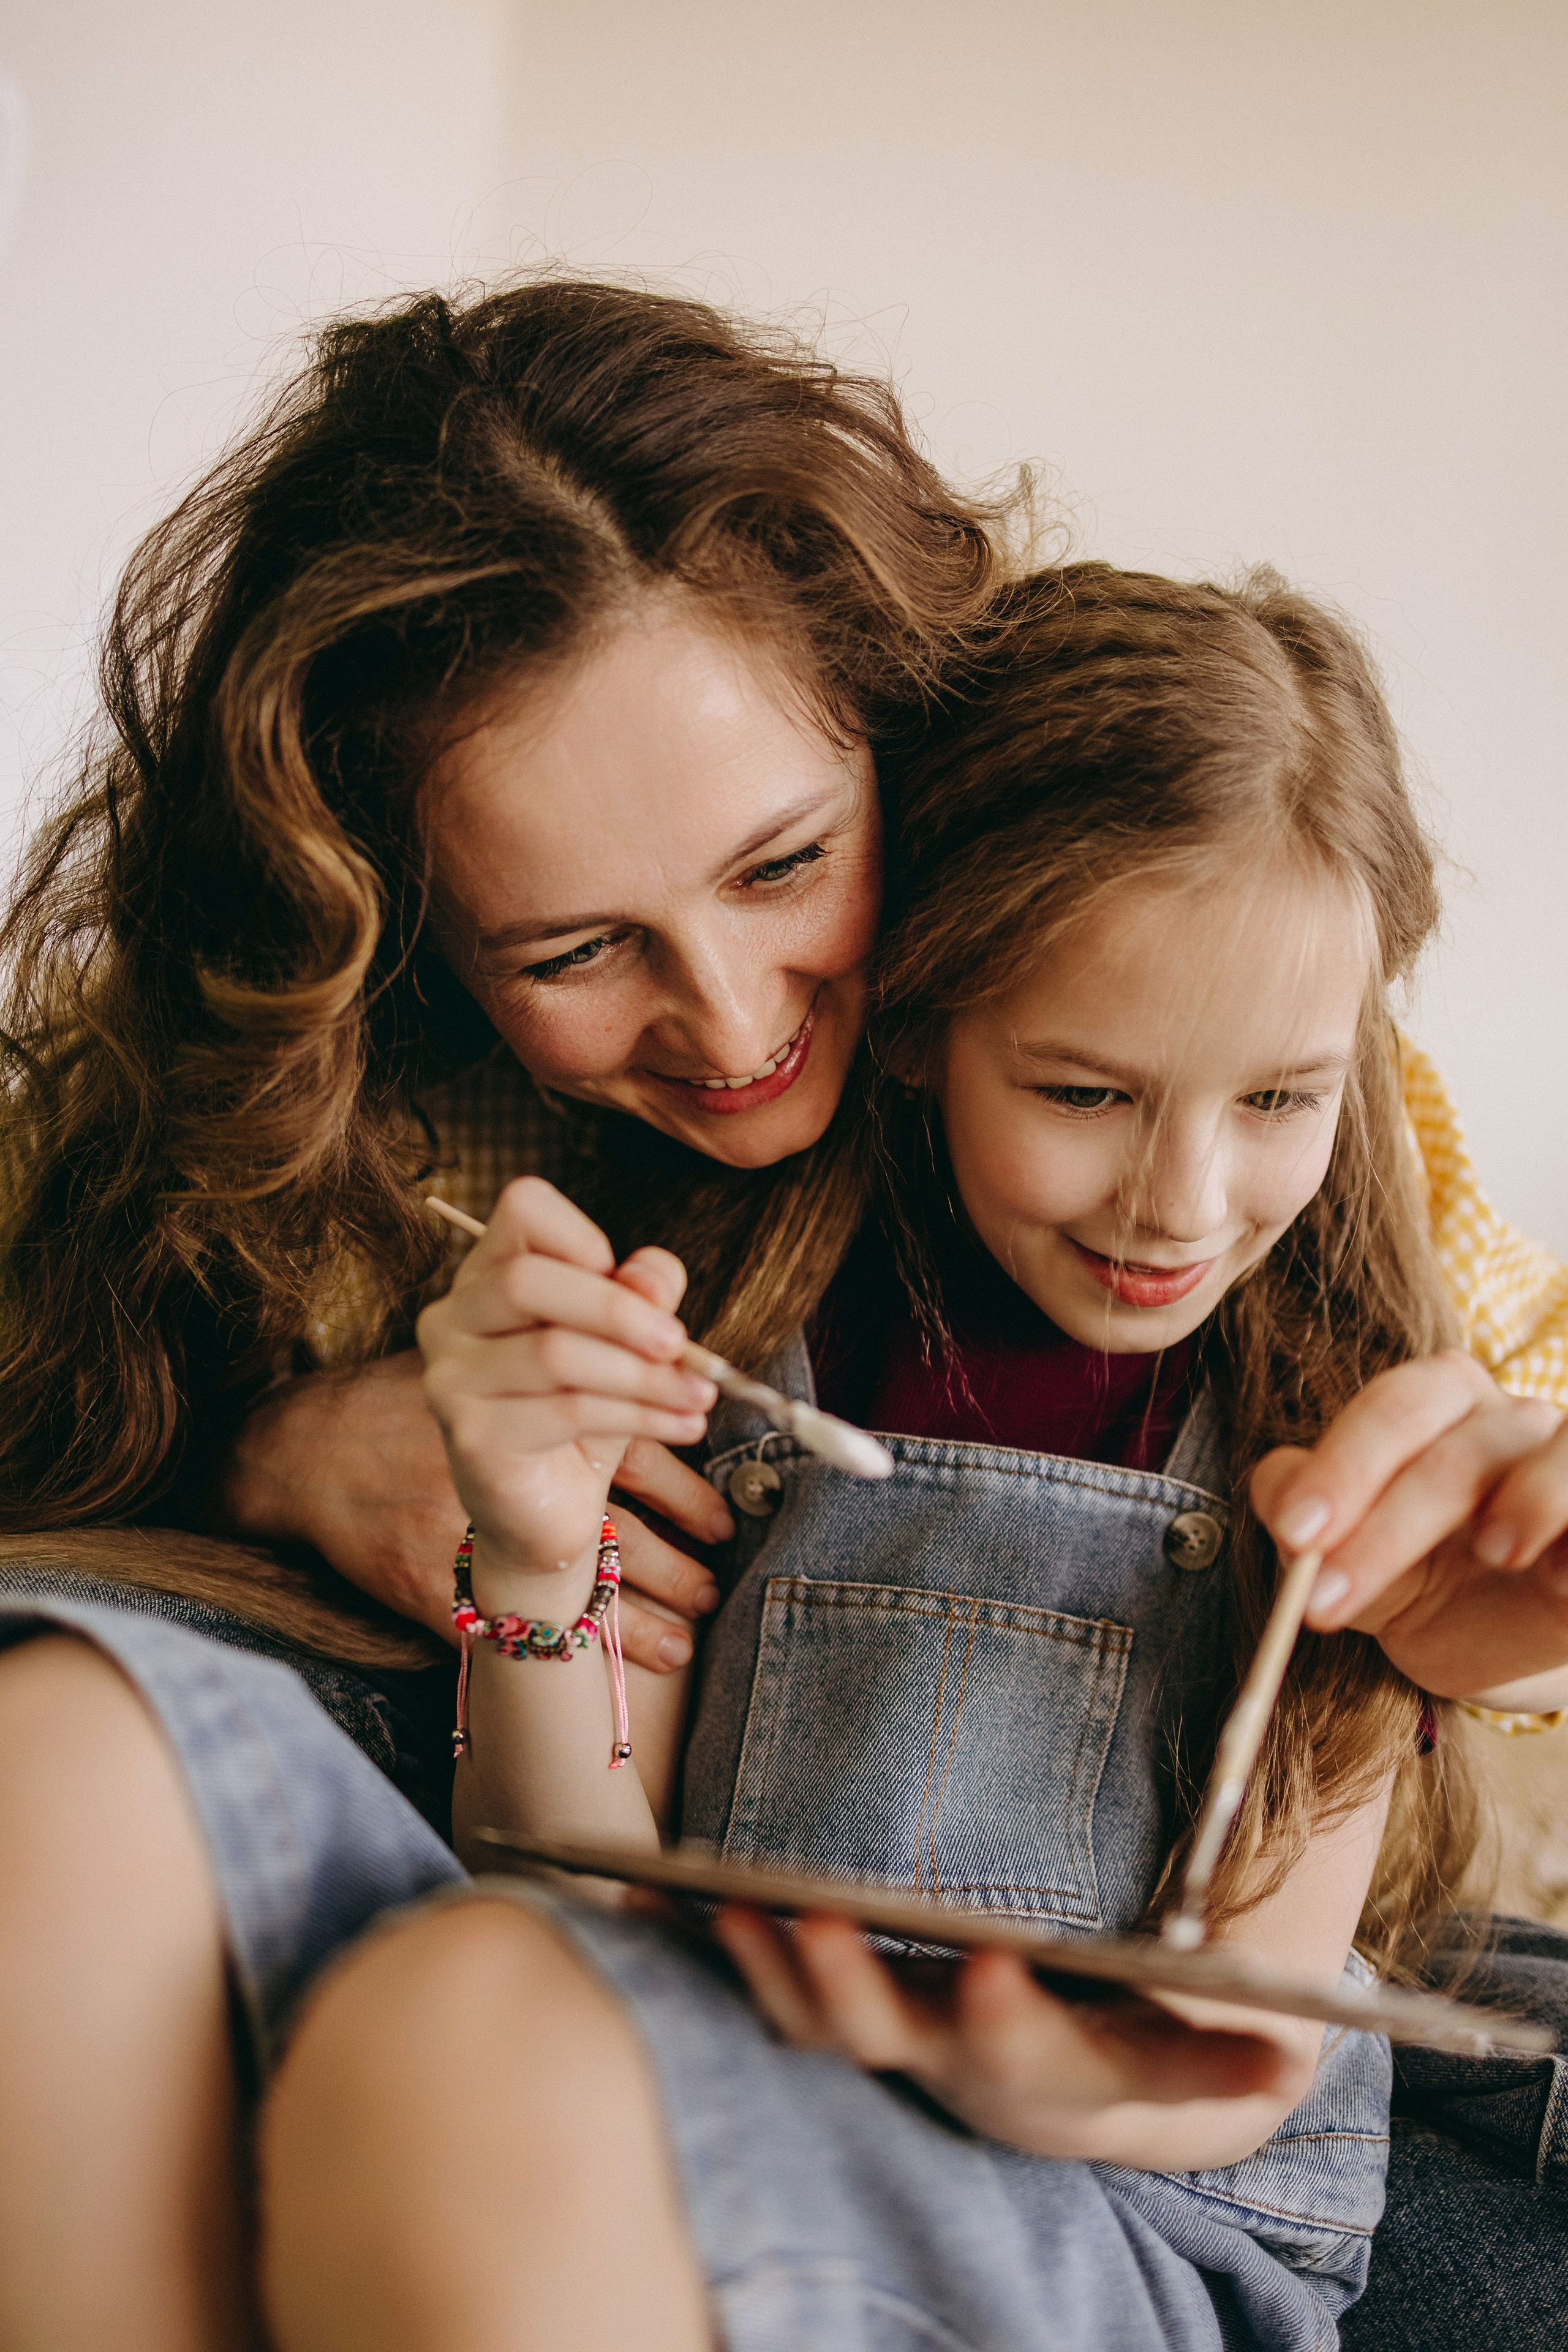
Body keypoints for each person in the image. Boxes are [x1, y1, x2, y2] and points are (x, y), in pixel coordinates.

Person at [0, 279, 1564, 2346]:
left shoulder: (1244, 1110)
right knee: (62, 1769)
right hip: (519, 1860)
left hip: (998, 2128)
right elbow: (542, 1823)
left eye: (788, 867)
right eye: (573, 946)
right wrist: (295, 1447)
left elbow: (1468, 1471)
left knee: (494, 2036)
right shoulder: (335, 1096)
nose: (737, 1029)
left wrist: (1492, 1575)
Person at [284, 562, 1542, 2352]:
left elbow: (1235, 2068)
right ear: (922, 1022)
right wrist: (540, 1553)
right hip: (748, 2127)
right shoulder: (730, 1321)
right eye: (1083, 1092)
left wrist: (1008, 2057)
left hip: (1133, 2222)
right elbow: (559, 1891)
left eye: (1280, 1099)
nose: (1182, 1206)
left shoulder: (1341, 1431)